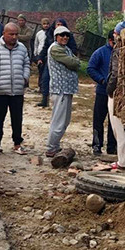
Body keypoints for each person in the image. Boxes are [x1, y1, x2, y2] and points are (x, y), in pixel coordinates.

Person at [0, 22, 30, 154]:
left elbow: (26, 63)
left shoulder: (22, 48)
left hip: (18, 90)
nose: (14, 37)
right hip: (1, 89)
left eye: (16, 34)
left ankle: (17, 144)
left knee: (17, 118)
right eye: (11, 34)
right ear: (4, 34)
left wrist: (25, 77)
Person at [45, 25, 80, 157]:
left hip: (66, 90)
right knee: (59, 121)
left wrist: (75, 61)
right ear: (56, 37)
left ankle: (55, 145)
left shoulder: (65, 49)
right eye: (62, 35)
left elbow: (75, 61)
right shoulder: (55, 49)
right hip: (60, 90)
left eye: (67, 35)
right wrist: (76, 61)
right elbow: (73, 63)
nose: (65, 37)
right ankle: (51, 147)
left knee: (64, 121)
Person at [107, 21, 125, 170]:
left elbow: (115, 74)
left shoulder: (119, 50)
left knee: (118, 128)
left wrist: (109, 90)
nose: (114, 35)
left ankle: (122, 162)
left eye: (116, 33)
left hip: (118, 93)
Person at [86, 30, 116, 156]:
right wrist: (102, 80)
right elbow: (90, 68)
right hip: (102, 92)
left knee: (113, 122)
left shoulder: (122, 52)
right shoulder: (100, 52)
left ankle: (112, 147)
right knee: (98, 120)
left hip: (117, 94)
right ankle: (97, 145)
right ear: (110, 40)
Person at [35, 18, 51, 107]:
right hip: (40, 56)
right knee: (41, 73)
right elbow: (36, 44)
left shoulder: (51, 34)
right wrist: (37, 55)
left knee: (47, 76)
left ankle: (46, 94)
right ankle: (41, 88)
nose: (46, 25)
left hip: (49, 57)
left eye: (47, 23)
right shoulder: (39, 34)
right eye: (44, 23)